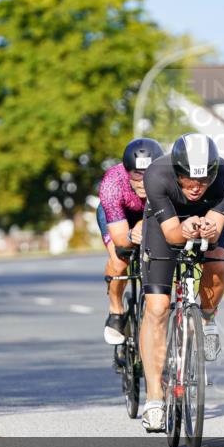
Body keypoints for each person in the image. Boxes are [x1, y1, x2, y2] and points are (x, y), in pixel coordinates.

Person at [137, 133, 224, 432]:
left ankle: (207, 317)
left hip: (202, 223)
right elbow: (171, 235)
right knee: (157, 308)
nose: (196, 188)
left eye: (204, 181)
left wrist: (206, 228)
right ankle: (155, 398)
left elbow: (216, 226)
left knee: (218, 259)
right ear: (176, 171)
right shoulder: (157, 174)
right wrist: (184, 228)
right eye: (188, 180)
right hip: (164, 225)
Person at [97, 138, 164, 345]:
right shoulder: (112, 184)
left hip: (150, 215)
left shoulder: (168, 179)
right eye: (137, 174)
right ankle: (116, 310)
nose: (143, 181)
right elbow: (122, 241)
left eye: (148, 174)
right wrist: (130, 236)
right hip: (120, 216)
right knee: (120, 261)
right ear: (127, 171)